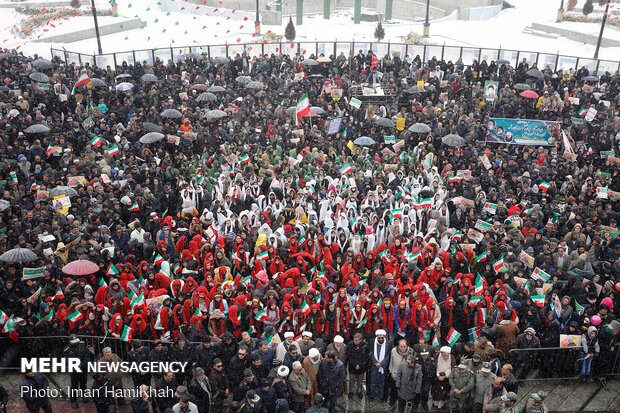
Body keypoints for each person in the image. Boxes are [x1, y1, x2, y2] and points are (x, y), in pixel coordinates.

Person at [63, 334, 90, 409]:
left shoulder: (82, 344)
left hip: (83, 369)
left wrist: (83, 364)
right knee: (74, 386)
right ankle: (73, 400)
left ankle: (84, 395)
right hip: (74, 371)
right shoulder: (67, 349)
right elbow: (67, 362)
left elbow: (86, 355)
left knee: (83, 383)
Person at [388, 338, 414, 406]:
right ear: (398, 346)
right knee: (393, 390)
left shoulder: (411, 352)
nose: (403, 348)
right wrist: (391, 371)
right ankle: (393, 400)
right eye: (401, 347)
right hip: (395, 374)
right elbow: (391, 361)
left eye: (404, 346)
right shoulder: (393, 350)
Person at [368, 329, 391, 400]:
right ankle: (372, 395)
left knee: (382, 382)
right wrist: (375, 362)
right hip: (374, 365)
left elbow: (388, 355)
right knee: (373, 381)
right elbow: (371, 353)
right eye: (379, 338)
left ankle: (381, 396)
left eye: (382, 338)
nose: (381, 339)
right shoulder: (372, 342)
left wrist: (382, 363)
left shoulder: (388, 343)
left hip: (383, 366)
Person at [346, 332, 369, 399]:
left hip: (361, 367)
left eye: (356, 340)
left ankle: (359, 391)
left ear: (360, 340)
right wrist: (354, 364)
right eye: (354, 340)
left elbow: (365, 357)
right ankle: (351, 391)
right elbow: (349, 356)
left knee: (360, 380)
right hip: (352, 366)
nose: (355, 342)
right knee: (352, 380)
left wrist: (360, 365)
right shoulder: (350, 345)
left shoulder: (365, 346)